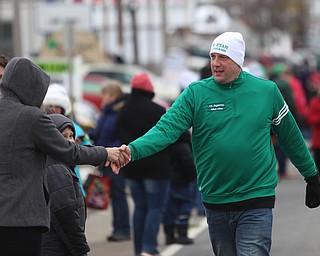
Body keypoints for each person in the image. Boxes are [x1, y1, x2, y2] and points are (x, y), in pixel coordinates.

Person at [117, 32, 320, 256]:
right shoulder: (196, 93)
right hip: (216, 201)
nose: (215, 63)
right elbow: (165, 130)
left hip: (256, 197)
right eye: (213, 57)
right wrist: (132, 150)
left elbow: (290, 136)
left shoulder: (267, 92)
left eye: (222, 57)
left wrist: (311, 175)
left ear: (237, 60)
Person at [0, 57, 128, 256]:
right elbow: (69, 151)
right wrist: (106, 153)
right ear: (30, 86)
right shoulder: (31, 117)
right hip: (24, 219)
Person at [116, 73, 173, 256]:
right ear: (149, 90)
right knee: (155, 208)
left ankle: (138, 249)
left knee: (140, 207)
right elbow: (167, 137)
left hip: (132, 167)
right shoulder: (157, 110)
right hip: (157, 169)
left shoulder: (123, 111)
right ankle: (149, 248)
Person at [88, 79, 131, 242]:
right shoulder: (107, 111)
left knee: (118, 194)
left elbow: (121, 136)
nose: (102, 97)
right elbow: (100, 133)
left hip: (114, 160)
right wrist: (88, 136)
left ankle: (123, 229)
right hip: (103, 157)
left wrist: (111, 151)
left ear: (112, 95)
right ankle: (118, 228)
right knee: (113, 194)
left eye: (104, 94)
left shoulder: (120, 113)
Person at [41, 114, 90, 256]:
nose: (69, 141)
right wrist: (81, 249)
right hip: (57, 247)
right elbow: (65, 214)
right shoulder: (55, 168)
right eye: (64, 136)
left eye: (71, 136)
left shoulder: (63, 164)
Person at [43, 83, 90, 196]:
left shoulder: (74, 127)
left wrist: (79, 145)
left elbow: (87, 145)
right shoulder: (41, 126)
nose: (54, 109)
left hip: (72, 176)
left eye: (57, 106)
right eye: (50, 105)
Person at [162, 130, 196, 245]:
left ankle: (169, 234)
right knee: (185, 205)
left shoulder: (167, 145)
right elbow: (189, 164)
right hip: (182, 180)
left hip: (169, 179)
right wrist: (192, 177)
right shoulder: (183, 146)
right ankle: (182, 233)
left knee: (170, 206)